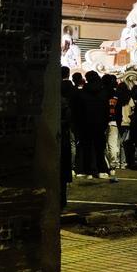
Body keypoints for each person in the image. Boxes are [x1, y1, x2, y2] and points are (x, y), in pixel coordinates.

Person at [59, 66, 74, 208]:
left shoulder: (55, 102)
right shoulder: (70, 97)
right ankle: (62, 201)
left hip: (58, 141)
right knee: (62, 175)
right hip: (63, 139)